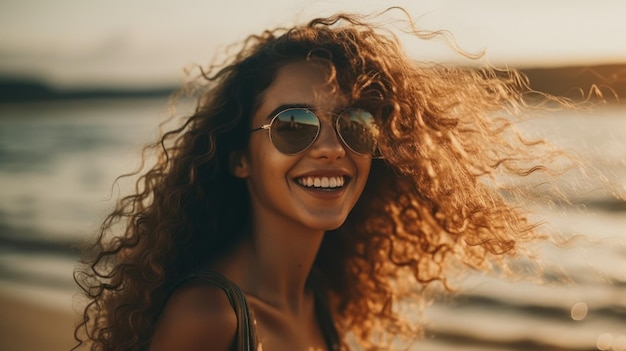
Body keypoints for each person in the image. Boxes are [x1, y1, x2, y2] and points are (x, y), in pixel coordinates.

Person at [74, 9, 563, 351]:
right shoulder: (208, 316)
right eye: (293, 125)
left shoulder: (320, 302)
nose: (331, 147)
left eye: (354, 125)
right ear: (239, 158)